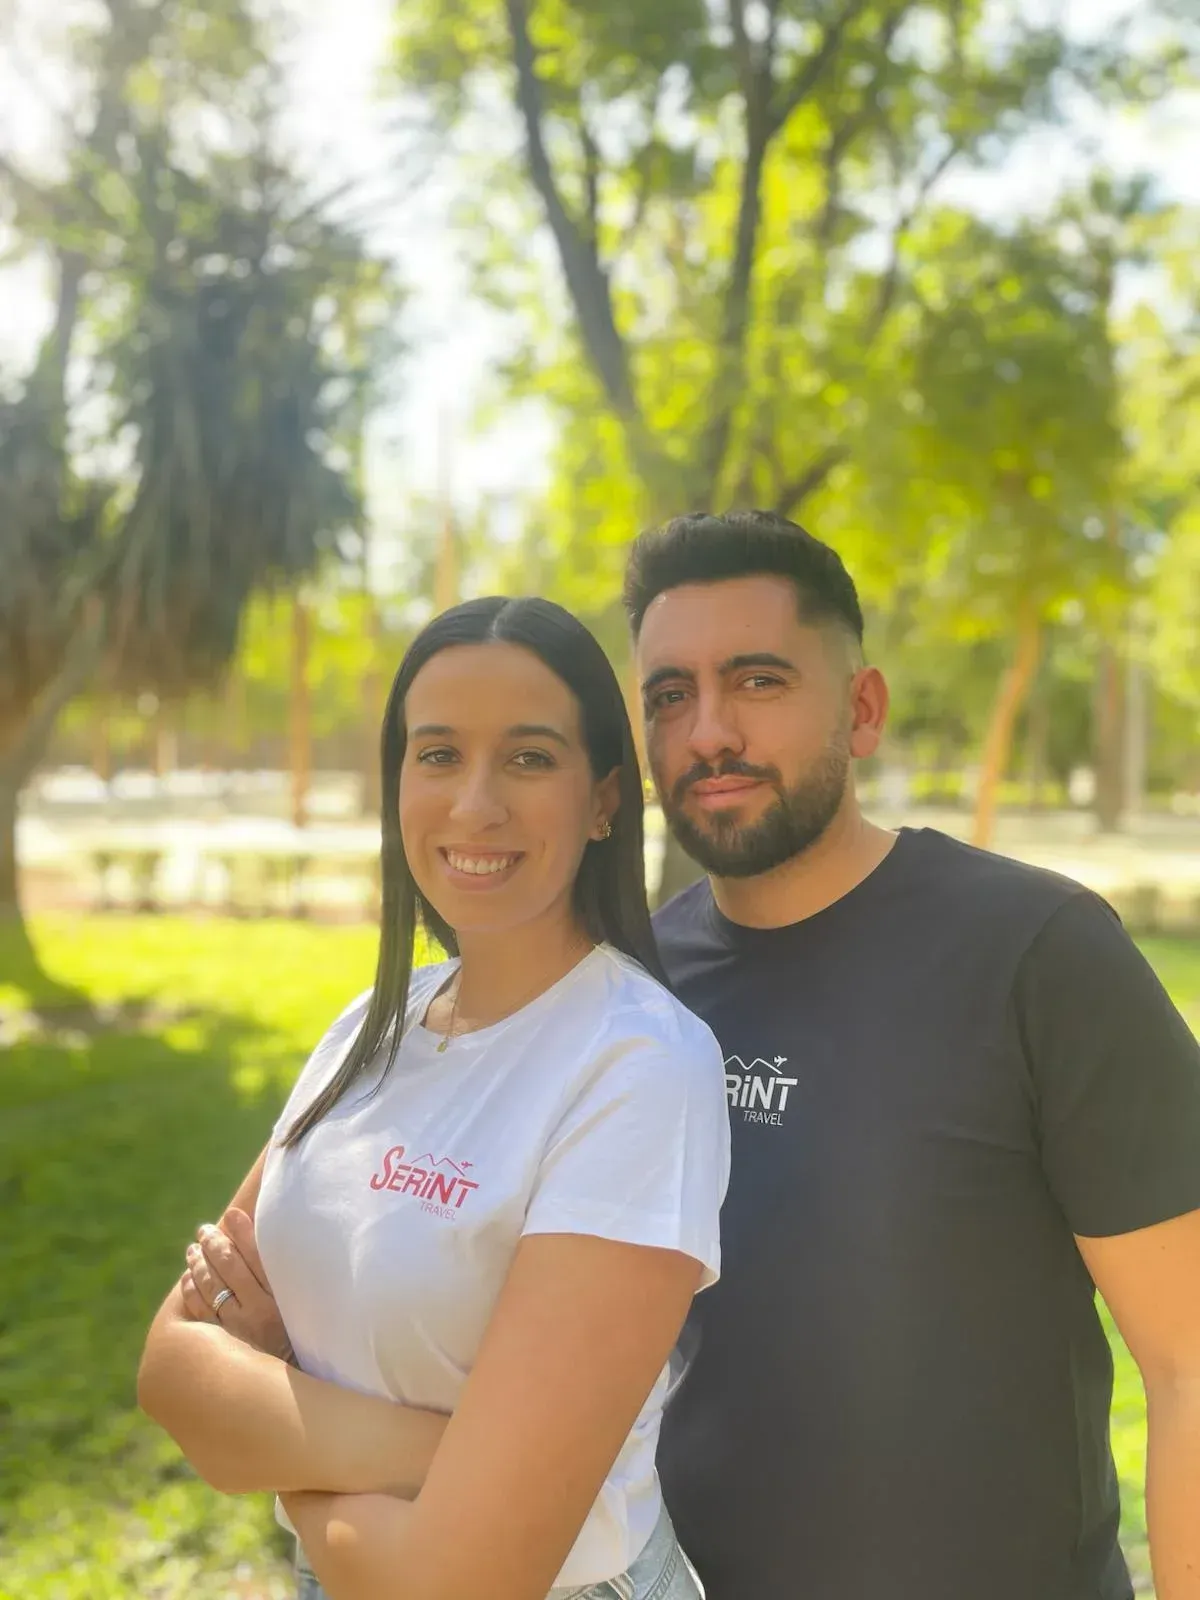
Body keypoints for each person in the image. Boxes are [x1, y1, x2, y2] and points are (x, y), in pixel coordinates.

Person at [623, 509, 1200, 1600]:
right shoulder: (629, 990)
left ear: (864, 707)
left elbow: (1189, 1362)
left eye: (757, 680)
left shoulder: (1039, 956)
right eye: (669, 694)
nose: (707, 731)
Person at [138, 595, 730, 1600]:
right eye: (439, 754)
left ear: (603, 801)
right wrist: (454, 1458)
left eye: (531, 758)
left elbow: (463, 1580)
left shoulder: (639, 1067)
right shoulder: (369, 1026)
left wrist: (280, 1444)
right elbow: (172, 1372)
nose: (474, 805)